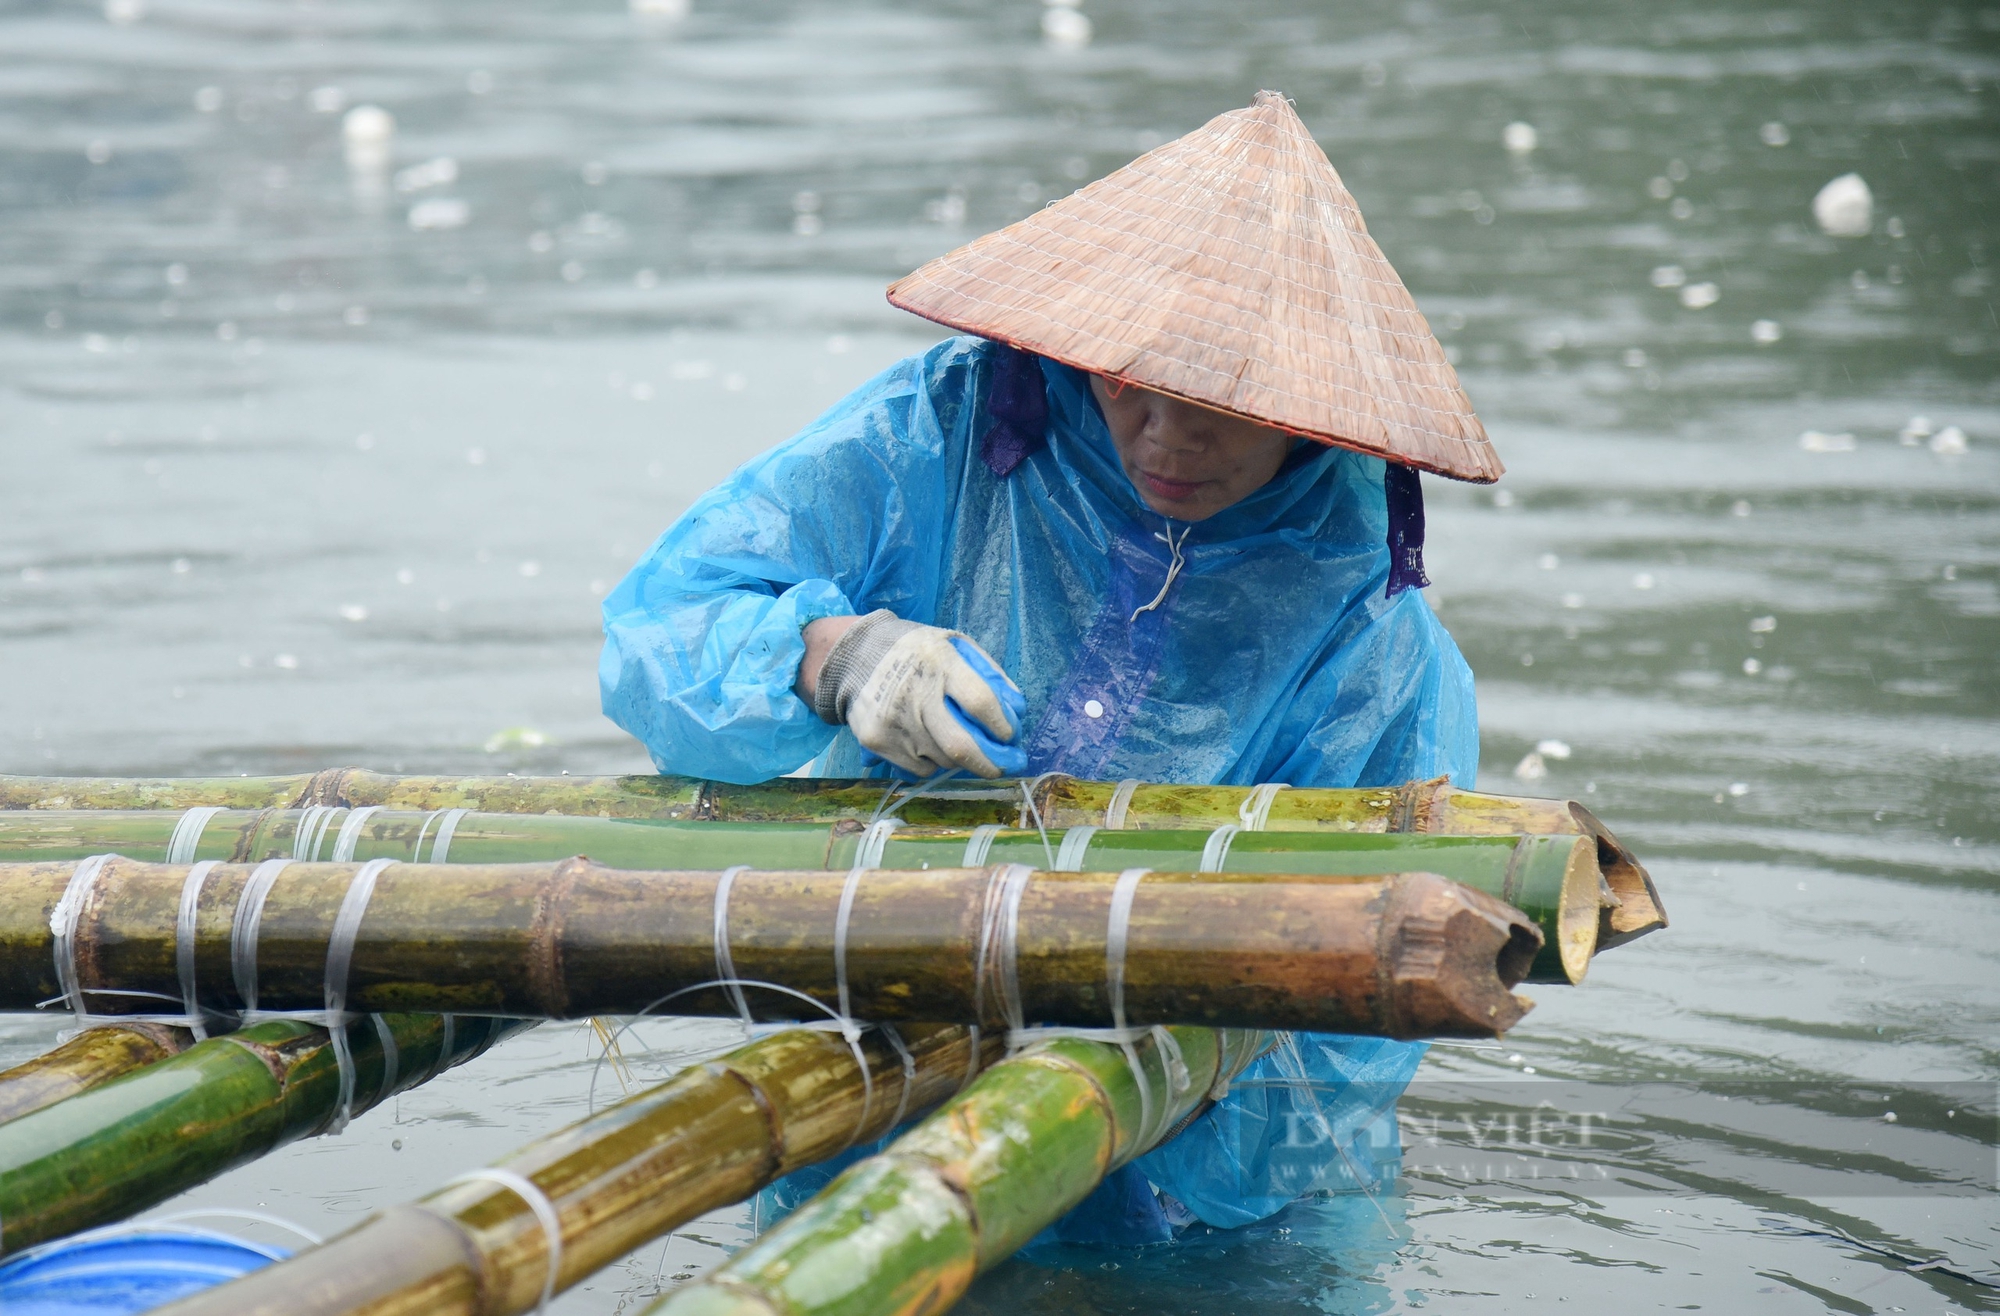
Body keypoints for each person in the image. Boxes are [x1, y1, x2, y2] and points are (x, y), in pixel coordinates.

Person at [600, 91, 1504, 1242]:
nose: (1167, 442)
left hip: (1192, 1153)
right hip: (880, 1051)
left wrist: (1145, 1195)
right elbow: (660, 628)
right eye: (1128, 383)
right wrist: (830, 653)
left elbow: (1352, 1008)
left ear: (1309, 413)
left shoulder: (1361, 617)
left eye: (1219, 408)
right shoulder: (939, 431)